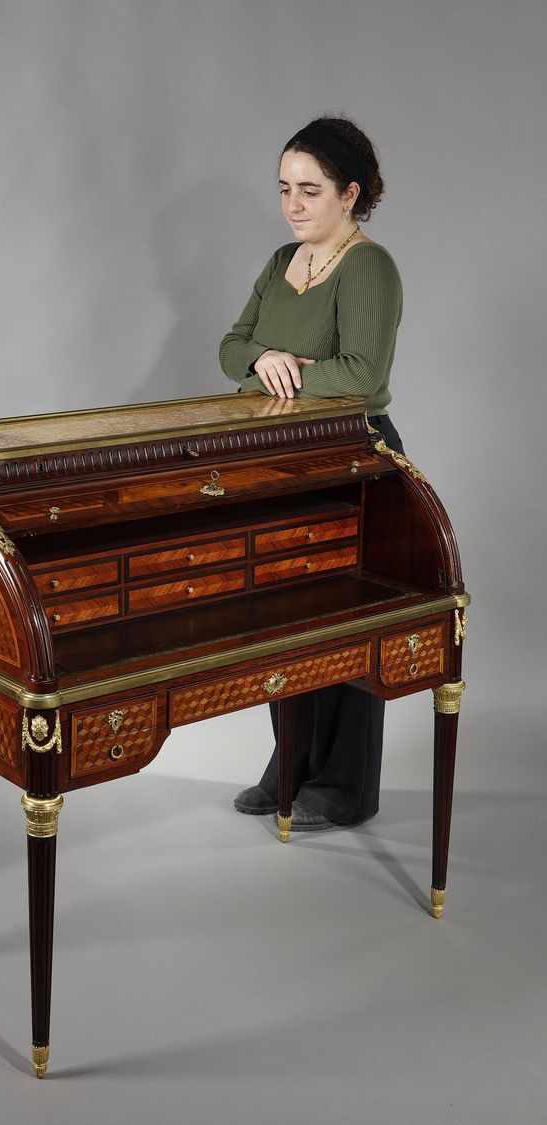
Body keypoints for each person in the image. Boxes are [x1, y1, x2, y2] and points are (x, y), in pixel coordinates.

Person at [218, 116, 405, 832]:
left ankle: (346, 783)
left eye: (311, 190)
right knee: (282, 622)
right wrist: (260, 359)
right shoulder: (279, 261)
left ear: (350, 194)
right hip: (282, 462)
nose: (294, 205)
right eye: (285, 189)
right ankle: (289, 763)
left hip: (355, 459)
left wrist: (285, 368)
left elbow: (364, 375)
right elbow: (232, 344)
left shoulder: (370, 266)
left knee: (344, 621)